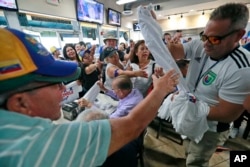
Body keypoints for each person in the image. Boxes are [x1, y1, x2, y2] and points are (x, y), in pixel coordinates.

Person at [0, 28, 179, 166]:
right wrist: (160, 89)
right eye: (55, 84)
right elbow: (132, 125)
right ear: (20, 103)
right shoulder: (37, 147)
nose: (63, 89)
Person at [165, 3, 250, 167]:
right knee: (189, 150)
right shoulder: (200, 44)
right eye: (204, 36)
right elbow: (175, 52)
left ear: (238, 35)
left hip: (210, 128)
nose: (206, 44)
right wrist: (169, 43)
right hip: (192, 116)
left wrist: (187, 105)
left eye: (215, 39)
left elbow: (226, 114)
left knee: (196, 161)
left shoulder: (241, 69)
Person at [78, 75, 143, 167]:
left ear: (120, 91)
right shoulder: (133, 92)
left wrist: (89, 105)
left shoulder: (130, 104)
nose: (114, 92)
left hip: (128, 132)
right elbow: (118, 95)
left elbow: (108, 119)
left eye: (114, 90)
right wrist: (105, 89)